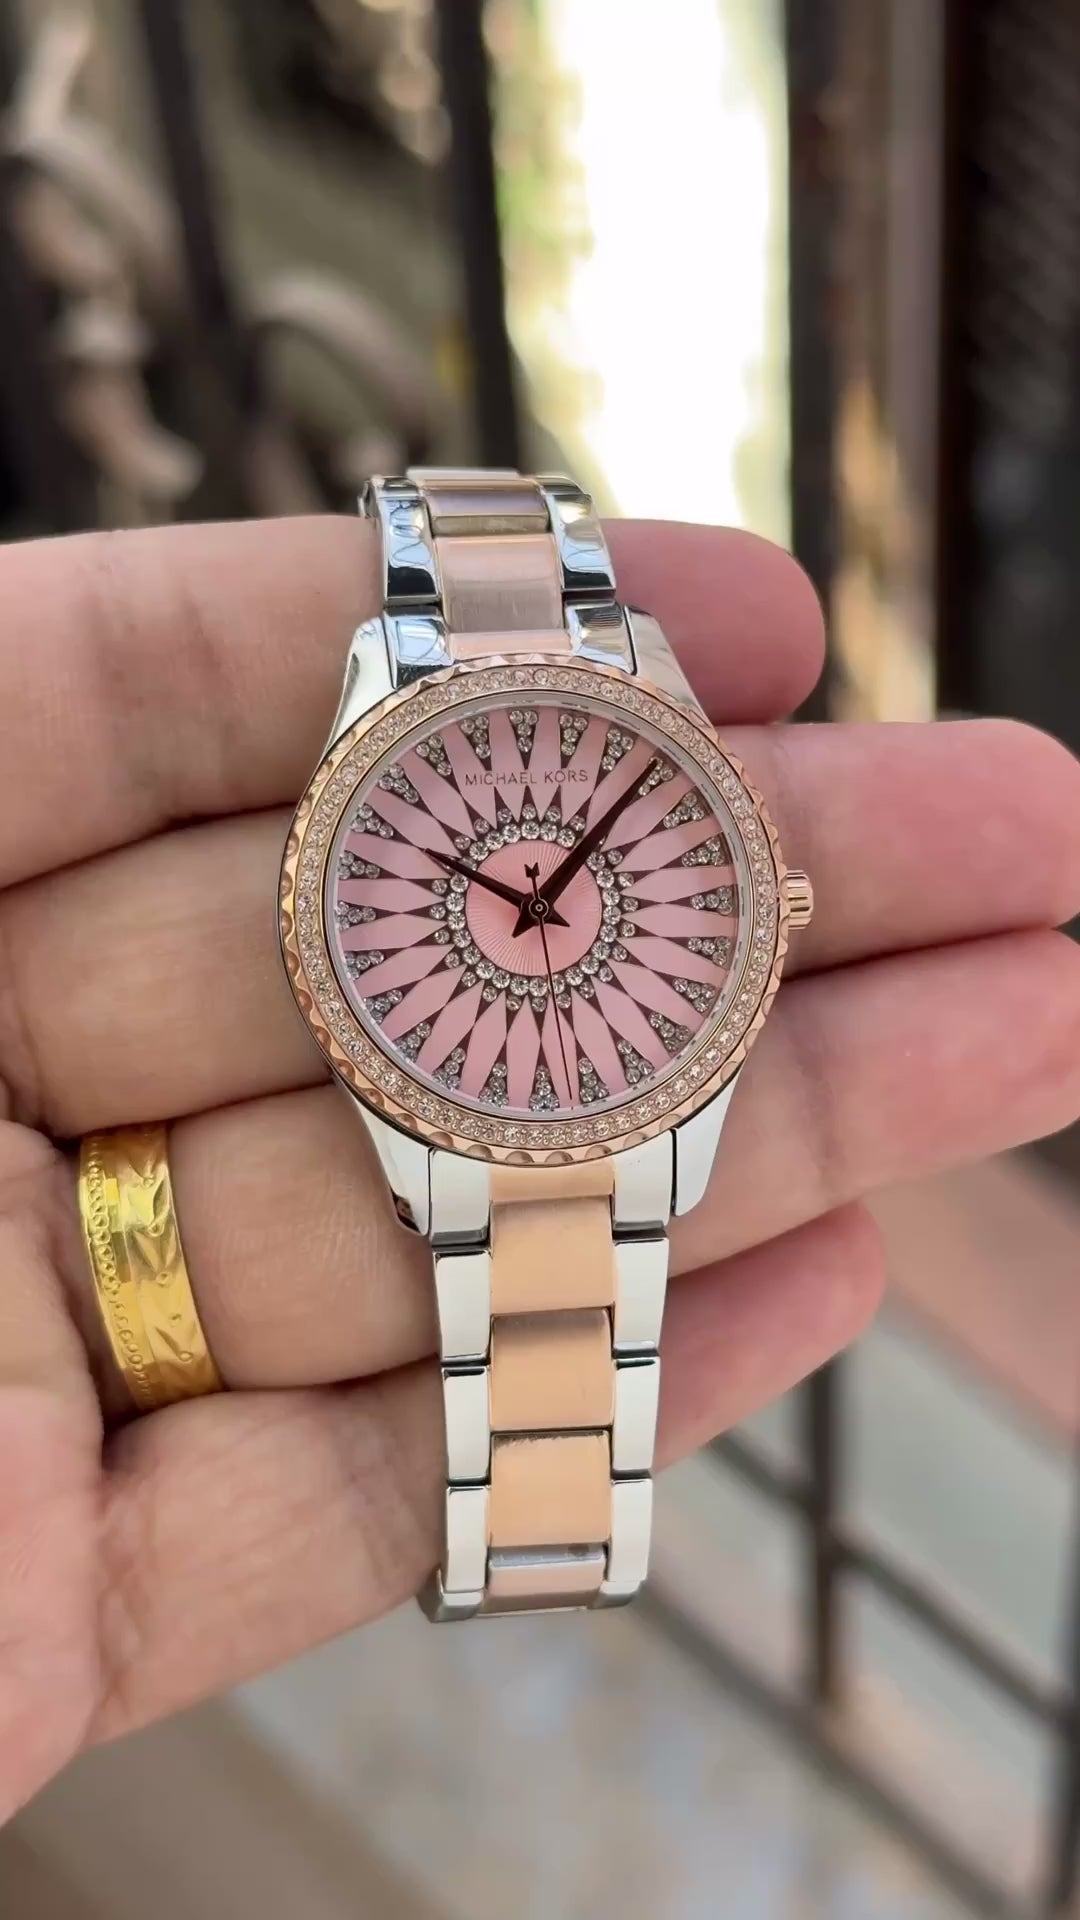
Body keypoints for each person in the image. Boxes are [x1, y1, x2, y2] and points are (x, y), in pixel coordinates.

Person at [1, 513, 1078, 1817]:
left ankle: (542, 1543)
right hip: (457, 1112)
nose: (533, 907)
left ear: (768, 904)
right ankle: (536, 1543)